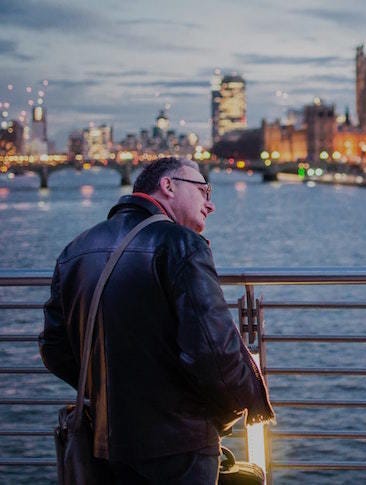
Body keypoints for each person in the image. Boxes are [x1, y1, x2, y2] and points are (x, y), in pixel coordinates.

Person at [40, 157, 274, 483]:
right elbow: (213, 350)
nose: (211, 204)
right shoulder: (181, 244)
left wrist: (110, 394)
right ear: (168, 186)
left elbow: (53, 348)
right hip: (178, 443)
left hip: (106, 440)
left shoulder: (75, 250)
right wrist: (231, 411)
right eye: (203, 191)